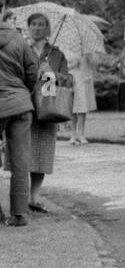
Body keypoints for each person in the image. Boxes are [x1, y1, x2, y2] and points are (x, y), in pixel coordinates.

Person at [25, 13, 74, 210]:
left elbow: (68, 79)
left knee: (42, 153)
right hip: (26, 106)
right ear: (28, 27)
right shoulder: (21, 49)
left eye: (41, 25)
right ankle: (20, 195)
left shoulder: (56, 54)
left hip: (48, 108)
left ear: (48, 29)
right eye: (34, 24)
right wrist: (32, 74)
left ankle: (33, 197)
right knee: (22, 153)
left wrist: (51, 74)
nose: (37, 28)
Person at [0, 4, 39, 226]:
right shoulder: (18, 39)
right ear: (2, 10)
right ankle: (19, 214)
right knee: (20, 160)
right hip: (20, 103)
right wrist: (23, 92)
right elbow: (33, 73)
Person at [67, 44, 95, 145]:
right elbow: (61, 66)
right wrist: (73, 64)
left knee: (82, 108)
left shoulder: (87, 50)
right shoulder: (66, 49)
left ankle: (81, 134)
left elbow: (93, 65)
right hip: (71, 79)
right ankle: (73, 134)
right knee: (72, 109)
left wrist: (89, 57)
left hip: (83, 80)